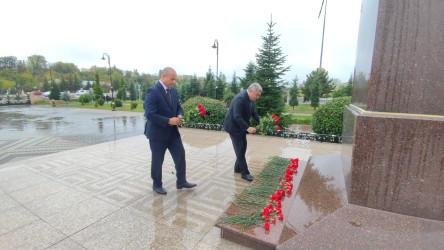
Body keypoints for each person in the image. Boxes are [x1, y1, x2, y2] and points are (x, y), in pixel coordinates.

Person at [144, 67, 196, 195]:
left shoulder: (173, 91)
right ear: (163, 76)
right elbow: (150, 114)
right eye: (172, 79)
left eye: (175, 79)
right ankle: (157, 184)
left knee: (180, 155)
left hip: (172, 133)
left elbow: (179, 107)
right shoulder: (152, 91)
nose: (174, 81)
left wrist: (179, 115)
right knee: (157, 160)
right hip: (157, 133)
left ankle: (181, 181)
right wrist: (168, 120)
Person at [223, 82, 262, 182]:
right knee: (240, 149)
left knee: (243, 147)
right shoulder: (240, 99)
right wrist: (248, 128)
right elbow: (237, 116)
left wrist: (261, 121)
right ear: (250, 91)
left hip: (241, 127)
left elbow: (253, 112)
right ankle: (245, 173)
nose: (258, 97)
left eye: (259, 95)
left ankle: (237, 168)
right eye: (257, 94)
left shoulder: (251, 99)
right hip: (233, 127)